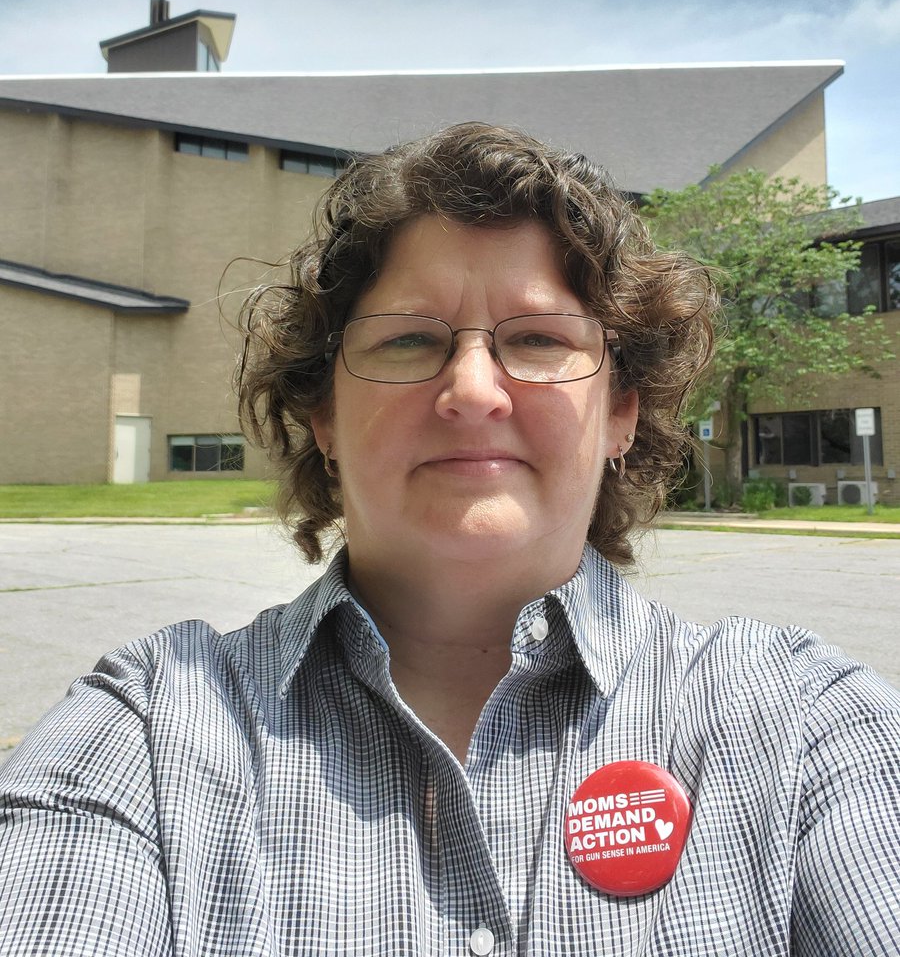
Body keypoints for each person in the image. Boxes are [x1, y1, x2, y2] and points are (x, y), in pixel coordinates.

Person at [1, 122, 898, 956]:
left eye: (540, 338)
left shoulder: (802, 726)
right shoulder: (149, 736)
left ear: (621, 411)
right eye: (407, 341)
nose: (472, 390)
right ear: (323, 414)